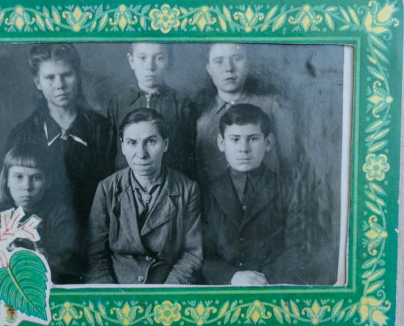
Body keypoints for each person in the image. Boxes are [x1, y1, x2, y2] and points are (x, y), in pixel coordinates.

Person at [201, 104, 326, 286]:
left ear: (268, 143)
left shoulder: (289, 190)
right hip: (226, 287)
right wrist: (233, 276)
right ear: (221, 143)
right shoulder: (207, 193)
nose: (244, 149)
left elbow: (300, 248)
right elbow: (203, 253)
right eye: (235, 139)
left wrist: (263, 279)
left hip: (272, 286)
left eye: (253, 139)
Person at [87, 109, 202, 285]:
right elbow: (94, 257)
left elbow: (191, 254)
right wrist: (110, 295)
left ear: (165, 144)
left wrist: (167, 294)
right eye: (132, 142)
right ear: (122, 146)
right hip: (117, 288)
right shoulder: (106, 188)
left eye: (150, 142)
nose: (141, 153)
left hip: (166, 288)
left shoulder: (188, 189)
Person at [6, 43, 114, 227]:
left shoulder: (101, 129)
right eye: (50, 77)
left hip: (96, 229)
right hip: (42, 233)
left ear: (77, 76)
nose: (59, 85)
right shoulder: (24, 134)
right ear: (38, 82)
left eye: (66, 75)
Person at [195, 43, 301, 186]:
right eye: (219, 61)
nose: (229, 68)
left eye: (236, 59)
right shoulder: (203, 122)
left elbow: (292, 164)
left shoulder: (273, 106)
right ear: (209, 69)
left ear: (247, 63)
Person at [0, 144, 84, 284]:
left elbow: (67, 263)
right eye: (19, 177)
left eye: (36, 178)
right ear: (7, 181)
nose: (27, 187)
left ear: (48, 181)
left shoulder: (60, 215)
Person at [106, 43, 197, 179]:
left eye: (159, 58)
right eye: (142, 58)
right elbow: (109, 154)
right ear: (131, 60)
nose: (150, 67)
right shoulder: (118, 103)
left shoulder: (182, 103)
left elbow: (190, 155)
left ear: (170, 60)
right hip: (127, 184)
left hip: (171, 183)